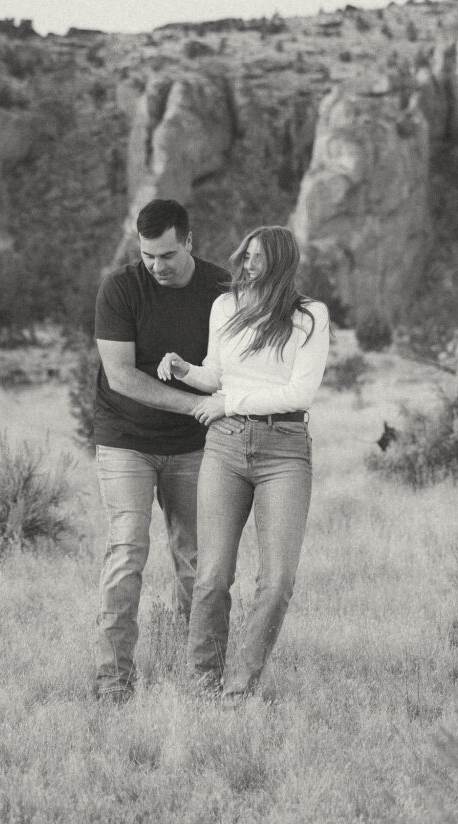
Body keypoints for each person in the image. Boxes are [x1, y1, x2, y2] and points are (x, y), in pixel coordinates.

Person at [157, 225, 330, 697]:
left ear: (280, 263)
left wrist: (230, 402)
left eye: (257, 258)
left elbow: (300, 391)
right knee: (212, 576)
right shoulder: (225, 306)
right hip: (227, 446)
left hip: (285, 449)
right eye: (245, 255)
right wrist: (183, 369)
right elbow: (217, 375)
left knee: (277, 581)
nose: (247, 264)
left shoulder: (310, 316)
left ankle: (240, 686)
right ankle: (203, 682)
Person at [93, 198, 229, 703]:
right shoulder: (121, 287)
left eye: (167, 255)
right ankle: (113, 682)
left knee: (198, 558)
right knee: (128, 550)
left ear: (189, 242)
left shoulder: (221, 290)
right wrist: (196, 405)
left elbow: (238, 362)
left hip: (195, 446)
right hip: (125, 439)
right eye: (148, 255)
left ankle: (205, 679)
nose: (156, 266)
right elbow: (121, 376)